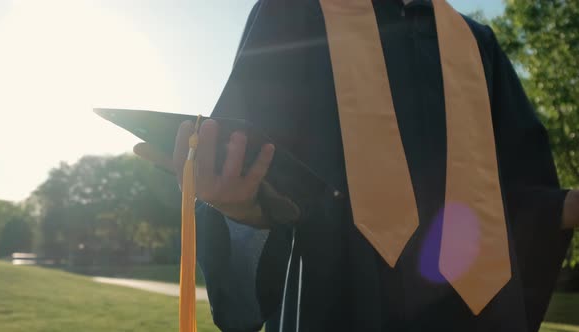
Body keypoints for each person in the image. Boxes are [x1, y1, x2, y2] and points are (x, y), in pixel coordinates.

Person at [134, 0, 579, 331]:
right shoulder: (295, 13)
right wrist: (238, 208)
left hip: (473, 313)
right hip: (337, 303)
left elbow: (514, 193)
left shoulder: (476, 43)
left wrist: (566, 207)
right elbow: (262, 170)